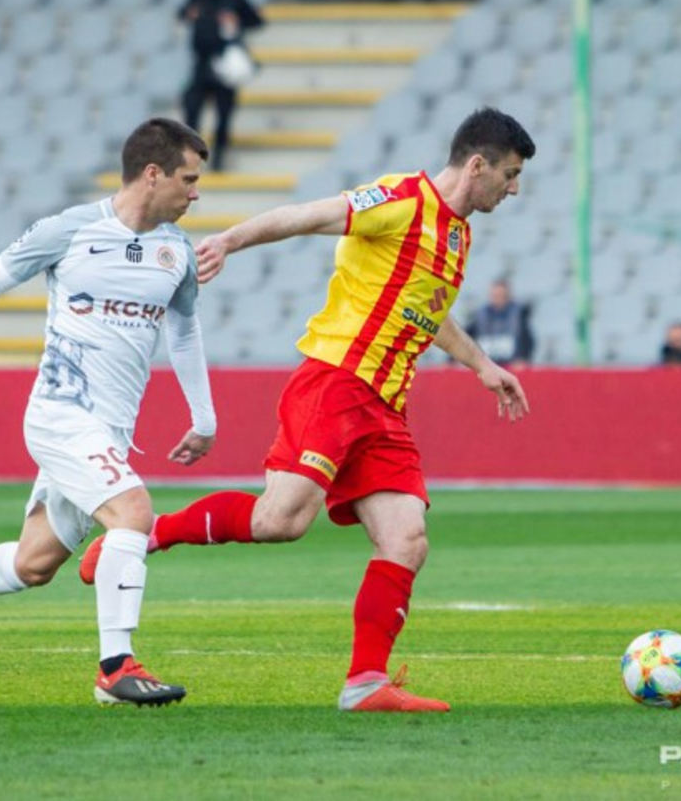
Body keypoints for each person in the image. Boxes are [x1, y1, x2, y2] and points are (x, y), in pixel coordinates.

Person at [79, 107, 536, 712]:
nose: (514, 188)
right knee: (281, 521)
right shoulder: (400, 201)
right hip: (337, 384)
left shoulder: (457, 234)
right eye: (509, 174)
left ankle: (366, 683)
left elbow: (427, 310)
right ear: (477, 165)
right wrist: (231, 240)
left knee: (406, 539)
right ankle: (150, 533)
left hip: (386, 405)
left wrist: (481, 365)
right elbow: (305, 215)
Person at [0, 119, 217, 708]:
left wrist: (203, 418)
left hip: (112, 432)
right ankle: (116, 668)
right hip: (60, 414)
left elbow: (184, 332)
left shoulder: (176, 251)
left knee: (34, 564)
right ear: (152, 174)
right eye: (189, 179)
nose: (196, 192)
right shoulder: (71, 229)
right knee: (134, 512)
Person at [179, 0, 264, 172]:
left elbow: (257, 21)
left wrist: (238, 20)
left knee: (224, 112)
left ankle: (219, 156)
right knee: (191, 108)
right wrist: (190, 14)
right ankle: (191, 154)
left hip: (225, 64)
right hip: (202, 62)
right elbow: (181, 13)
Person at [464, 276, 534, 367]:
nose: (499, 299)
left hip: (511, 366)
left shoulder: (519, 315)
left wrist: (523, 358)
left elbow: (528, 342)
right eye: (496, 296)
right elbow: (464, 337)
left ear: (508, 296)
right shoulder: (480, 316)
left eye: (502, 296)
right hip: (486, 367)